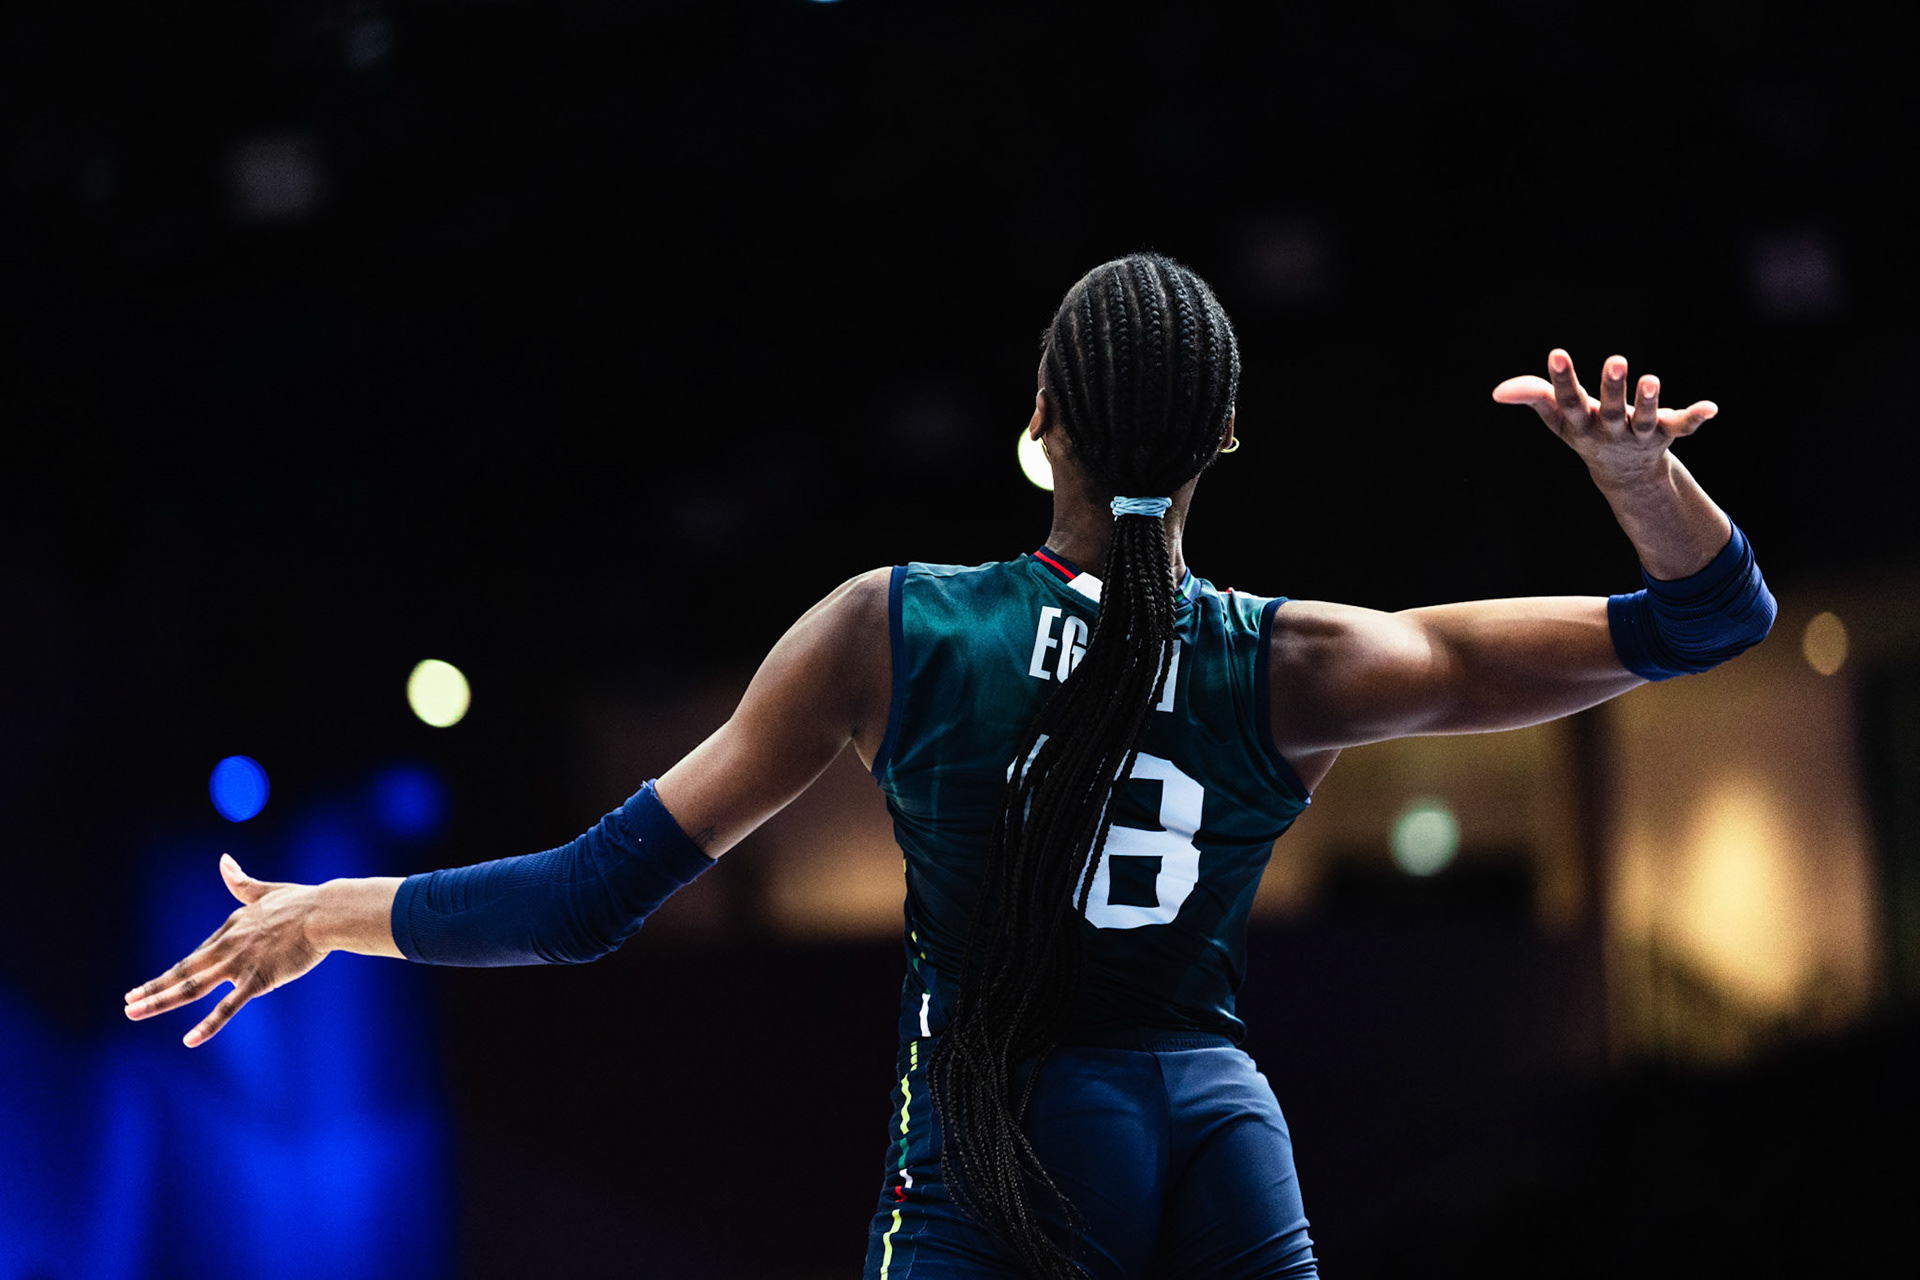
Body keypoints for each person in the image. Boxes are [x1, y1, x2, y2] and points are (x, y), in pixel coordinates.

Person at [125, 253, 1775, 1279]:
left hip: (997, 1151)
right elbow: (1710, 618)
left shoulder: (892, 628)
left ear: (1041, 420)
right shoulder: (1306, 661)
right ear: (1222, 441)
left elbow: (583, 903)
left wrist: (335, 911)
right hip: (1218, 1133)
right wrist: (1637, 480)